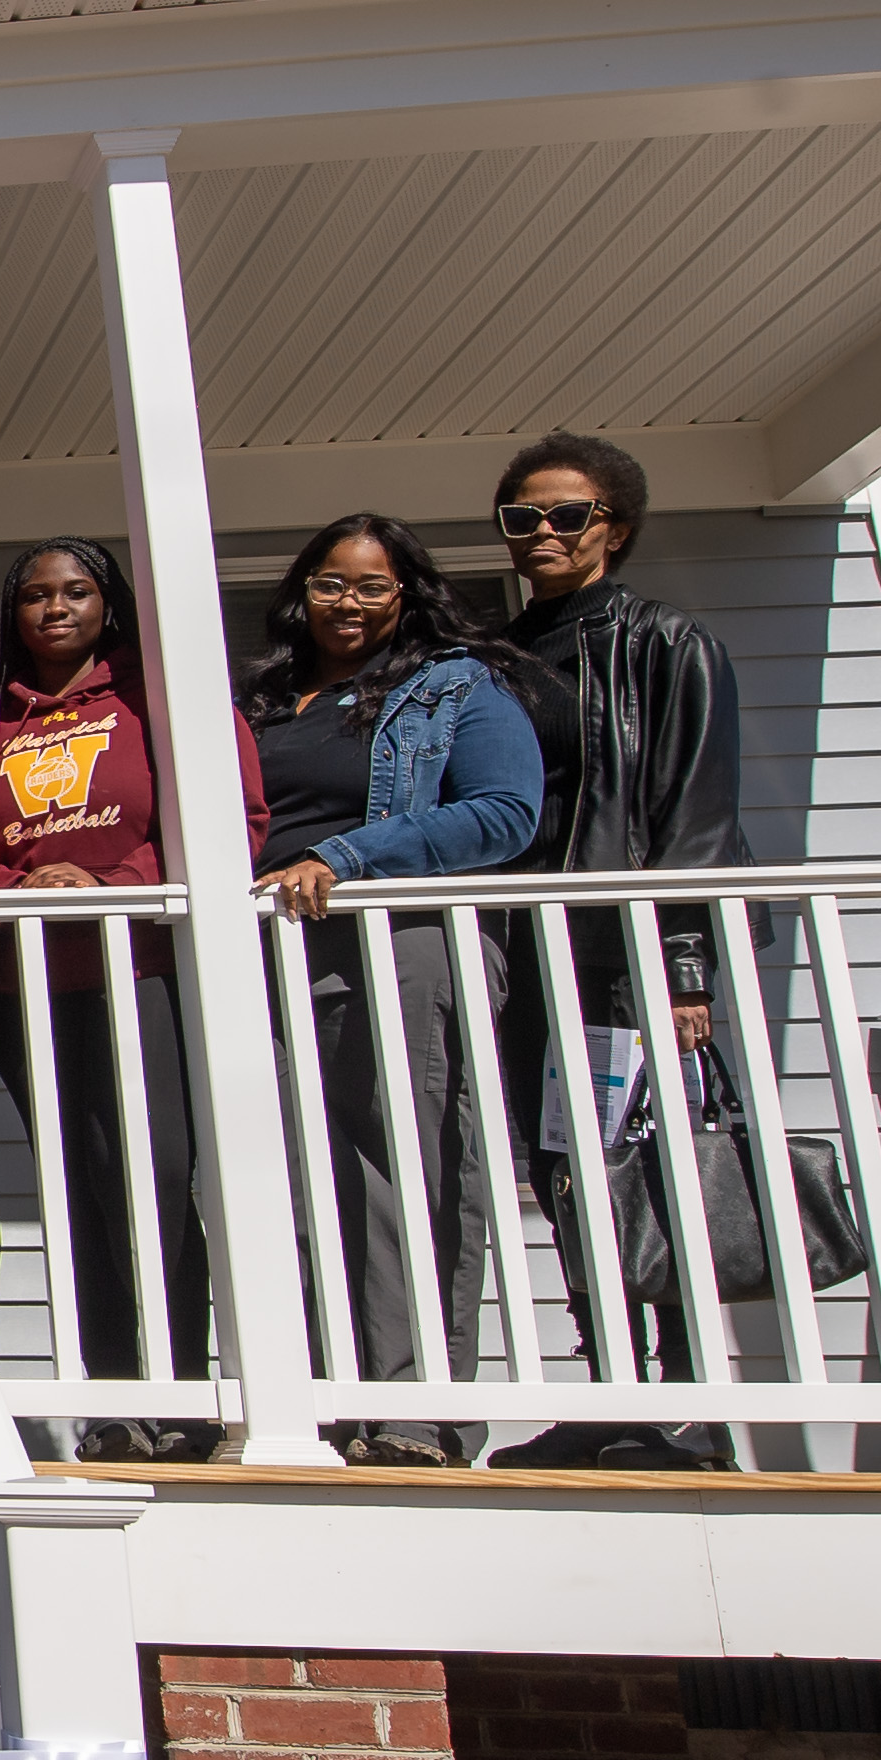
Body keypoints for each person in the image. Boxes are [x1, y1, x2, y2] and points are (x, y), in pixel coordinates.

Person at [248, 516, 545, 1470]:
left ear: (406, 596)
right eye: (332, 584)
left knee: (401, 1166)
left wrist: (343, 857)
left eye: (373, 587)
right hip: (268, 948)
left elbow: (504, 814)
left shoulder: (454, 686)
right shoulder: (261, 701)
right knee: (287, 1180)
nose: (350, 602)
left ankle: (416, 1407)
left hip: (394, 939)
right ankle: (322, 1402)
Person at [483, 433, 752, 1473]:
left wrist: (683, 972)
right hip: (529, 950)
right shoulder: (501, 659)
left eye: (567, 515)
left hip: (628, 950)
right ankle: (610, 1393)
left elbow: (698, 818)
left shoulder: (666, 643)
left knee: (653, 1167)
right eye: (523, 518)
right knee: (565, 1172)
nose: (543, 533)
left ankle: (688, 1406)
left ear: (615, 528)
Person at [0, 543, 253, 1462]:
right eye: (36, 596)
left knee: (155, 1176)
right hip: (30, 985)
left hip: (139, 973)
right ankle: (113, 1399)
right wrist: (9, 884)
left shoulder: (155, 701)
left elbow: (231, 820)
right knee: (78, 1190)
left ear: (108, 603)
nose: (56, 609)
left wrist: (109, 882)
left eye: (77, 592)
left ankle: (182, 1393)